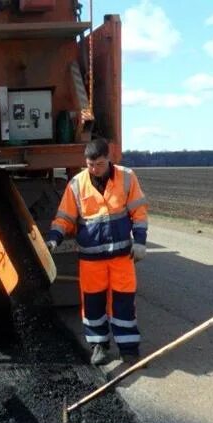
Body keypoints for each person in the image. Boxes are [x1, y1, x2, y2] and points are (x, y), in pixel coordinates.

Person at [46, 138, 148, 365]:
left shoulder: (127, 178)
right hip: (91, 260)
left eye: (99, 164)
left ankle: (129, 349)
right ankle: (99, 346)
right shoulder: (76, 184)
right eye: (90, 165)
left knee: (123, 304)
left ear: (108, 158)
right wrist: (54, 239)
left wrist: (140, 241)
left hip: (122, 256)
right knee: (92, 304)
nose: (94, 169)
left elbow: (139, 212)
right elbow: (65, 217)